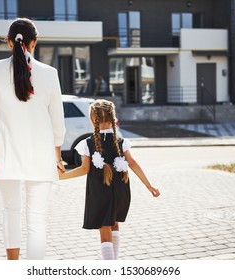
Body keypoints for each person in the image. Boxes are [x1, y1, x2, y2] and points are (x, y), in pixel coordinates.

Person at [0, 18, 66, 260]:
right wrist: (57, 157)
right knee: (36, 219)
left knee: (10, 211)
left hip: (4, 154)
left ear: (8, 42)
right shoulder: (50, 74)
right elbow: (58, 123)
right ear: (34, 42)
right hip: (41, 156)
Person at [58, 99, 160, 260]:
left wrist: (62, 177)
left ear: (92, 120)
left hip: (100, 194)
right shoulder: (122, 142)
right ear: (113, 119)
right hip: (121, 192)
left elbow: (84, 169)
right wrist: (149, 185)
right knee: (114, 224)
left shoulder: (87, 143)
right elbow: (132, 163)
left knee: (104, 231)